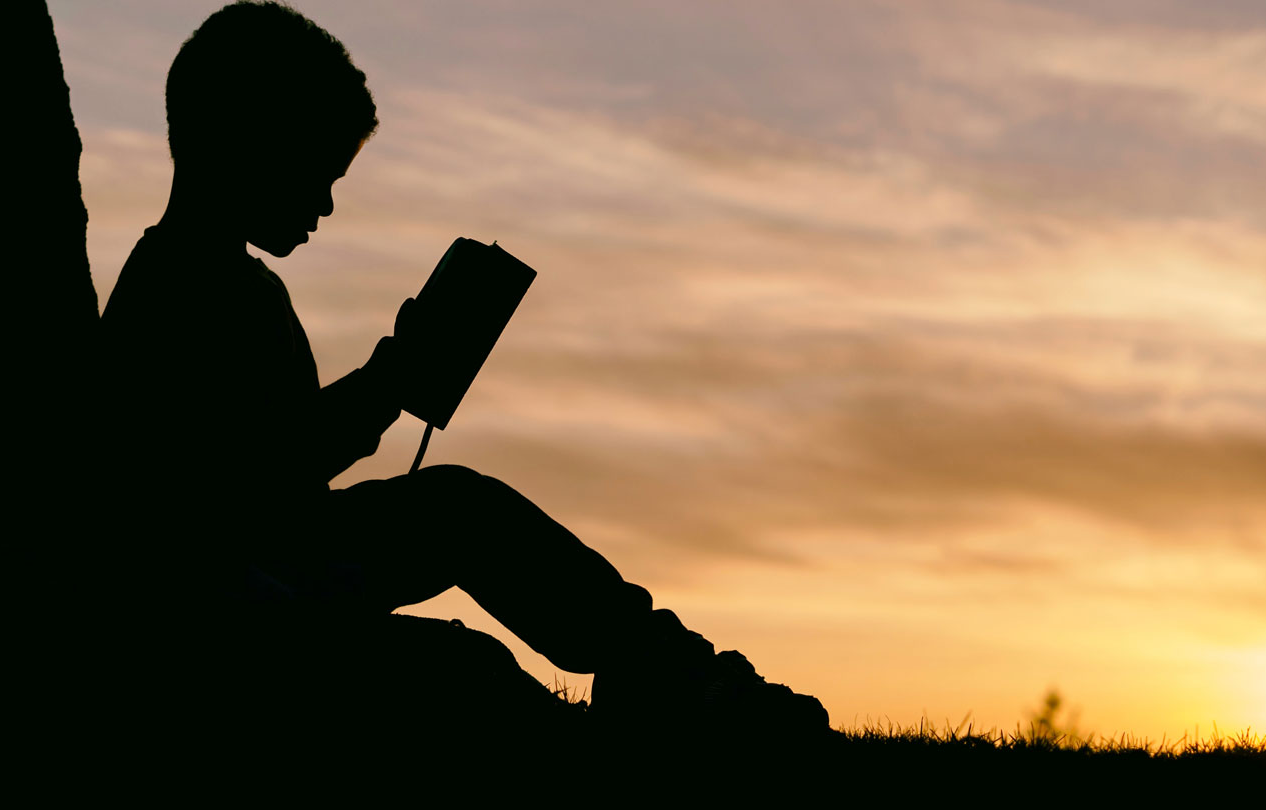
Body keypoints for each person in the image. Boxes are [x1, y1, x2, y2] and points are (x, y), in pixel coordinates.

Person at [100, 0, 827, 741]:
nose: (322, 205)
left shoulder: (236, 282)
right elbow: (237, 487)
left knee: (460, 507)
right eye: (314, 172)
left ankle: (672, 672)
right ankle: (671, 709)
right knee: (467, 665)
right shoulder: (174, 290)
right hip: (231, 612)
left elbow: (283, 456)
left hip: (281, 563)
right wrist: (389, 381)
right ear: (247, 141)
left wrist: (392, 376)